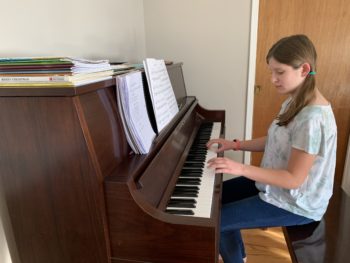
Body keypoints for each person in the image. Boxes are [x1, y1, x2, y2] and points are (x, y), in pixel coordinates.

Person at [206, 34, 337, 263]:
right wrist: (235, 144)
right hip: (275, 186)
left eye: (280, 72)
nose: (273, 79)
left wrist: (241, 168)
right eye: (271, 72)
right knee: (213, 200)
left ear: (304, 70)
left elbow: (294, 179)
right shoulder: (294, 100)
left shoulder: (312, 119)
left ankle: (235, 259)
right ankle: (238, 256)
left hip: (297, 203)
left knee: (217, 220)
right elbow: (274, 139)